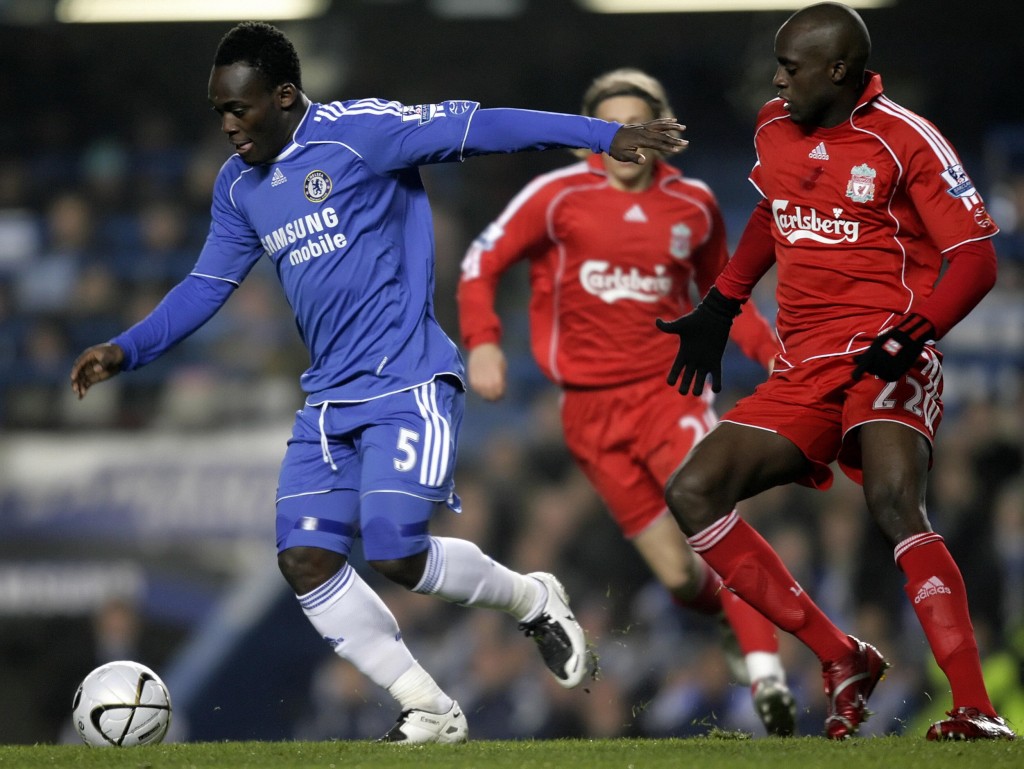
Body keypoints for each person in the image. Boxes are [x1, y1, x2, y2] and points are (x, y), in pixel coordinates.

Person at [68, 21, 688, 744]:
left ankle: (530, 597)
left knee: (395, 550)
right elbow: (208, 283)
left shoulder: (362, 132)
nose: (229, 125)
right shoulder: (240, 186)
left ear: (285, 95)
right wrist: (128, 348)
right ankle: (427, 705)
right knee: (305, 560)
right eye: (219, 112)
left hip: (408, 379)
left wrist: (599, 134)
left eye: (240, 108)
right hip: (329, 400)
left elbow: (482, 127)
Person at [655, 1, 1015, 741]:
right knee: (693, 489)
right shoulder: (773, 125)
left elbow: (975, 259)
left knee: (893, 500)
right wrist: (721, 305)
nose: (777, 80)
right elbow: (772, 211)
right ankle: (842, 654)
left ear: (838, 70)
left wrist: (914, 335)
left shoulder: (906, 140)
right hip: (804, 366)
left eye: (790, 67)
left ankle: (976, 706)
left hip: (888, 347)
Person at [457, 68, 796, 736]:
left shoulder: (693, 207)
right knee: (677, 575)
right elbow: (481, 263)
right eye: (610, 127)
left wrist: (778, 356)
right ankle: (732, 620)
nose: (625, 140)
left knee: (710, 520)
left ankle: (766, 672)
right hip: (587, 414)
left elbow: (730, 302)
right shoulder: (555, 198)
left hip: (672, 394)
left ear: (663, 130)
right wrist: (484, 340)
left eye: (637, 125)